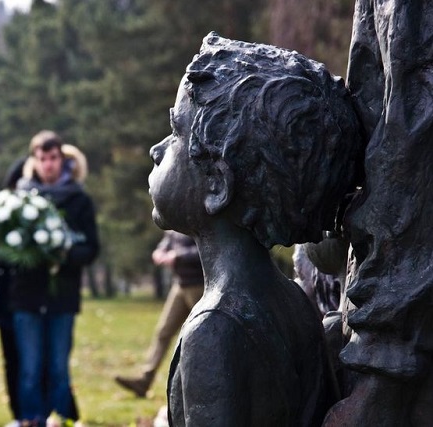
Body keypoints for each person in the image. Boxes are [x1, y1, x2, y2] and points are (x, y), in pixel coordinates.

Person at [148, 33, 361, 426]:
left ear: (217, 186)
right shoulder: (291, 298)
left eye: (176, 132)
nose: (157, 149)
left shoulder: (215, 329)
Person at [10, 130, 99, 426]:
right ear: (34, 161)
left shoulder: (78, 200)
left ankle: (61, 419)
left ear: (63, 159)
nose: (48, 164)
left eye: (53, 158)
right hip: (27, 295)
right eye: (42, 158)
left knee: (59, 367)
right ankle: (32, 419)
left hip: (62, 296)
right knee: (30, 369)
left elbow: (91, 248)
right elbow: (6, 250)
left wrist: (65, 254)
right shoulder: (19, 199)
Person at [114, 230, 203, 397]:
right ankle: (144, 380)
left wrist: (178, 256)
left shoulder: (199, 210)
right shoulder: (176, 213)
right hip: (181, 284)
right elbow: (168, 239)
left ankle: (206, 384)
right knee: (163, 332)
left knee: (202, 337)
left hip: (201, 285)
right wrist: (160, 251)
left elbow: (209, 246)